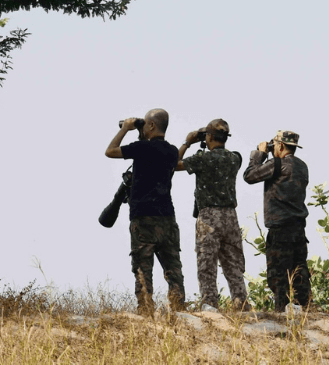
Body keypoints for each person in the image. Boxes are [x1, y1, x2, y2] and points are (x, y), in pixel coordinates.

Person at [105, 108, 185, 314]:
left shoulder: (141, 148)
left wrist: (125, 129)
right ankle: (178, 308)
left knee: (143, 268)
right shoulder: (172, 151)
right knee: (173, 268)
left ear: (151, 125)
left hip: (143, 217)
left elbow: (110, 151)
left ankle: (146, 310)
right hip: (167, 217)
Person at [176, 119, 250, 310]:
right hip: (231, 216)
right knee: (233, 262)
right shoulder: (235, 159)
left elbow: (173, 164)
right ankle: (240, 302)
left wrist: (187, 142)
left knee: (206, 261)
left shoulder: (202, 159)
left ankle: (210, 303)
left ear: (208, 136)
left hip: (209, 216)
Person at [243, 130, 310, 312]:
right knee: (299, 273)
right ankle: (303, 309)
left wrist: (260, 154)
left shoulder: (277, 164)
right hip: (299, 230)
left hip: (280, 230)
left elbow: (249, 176)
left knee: (279, 276)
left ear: (280, 146)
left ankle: (281, 312)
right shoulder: (302, 166)